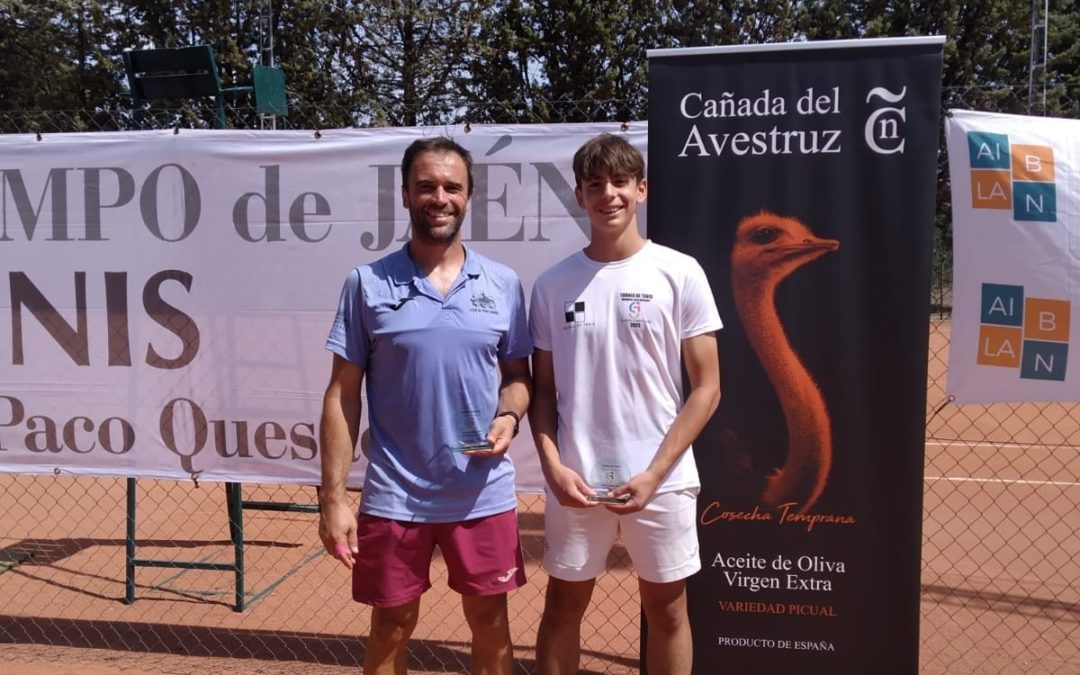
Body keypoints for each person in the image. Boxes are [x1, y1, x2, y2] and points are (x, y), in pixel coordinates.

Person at [318, 136, 532, 675]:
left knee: (491, 624)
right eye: (427, 187)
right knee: (390, 627)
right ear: (406, 195)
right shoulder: (365, 284)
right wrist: (333, 499)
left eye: (451, 187)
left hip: (481, 493)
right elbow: (342, 394)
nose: (440, 197)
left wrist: (508, 415)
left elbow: (518, 379)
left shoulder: (503, 284)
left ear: (469, 196)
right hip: (394, 496)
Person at [528, 133, 722, 675]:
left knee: (667, 611)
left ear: (641, 189)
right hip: (577, 482)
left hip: (662, 480)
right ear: (580, 195)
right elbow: (542, 391)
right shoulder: (551, 284)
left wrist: (656, 473)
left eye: (619, 182)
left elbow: (707, 387)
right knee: (563, 606)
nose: (607, 194)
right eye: (595, 185)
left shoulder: (680, 272)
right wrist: (553, 467)